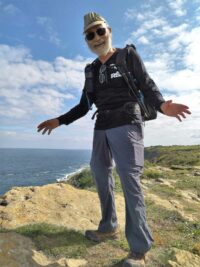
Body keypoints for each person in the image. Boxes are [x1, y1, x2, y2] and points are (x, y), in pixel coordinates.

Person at [37, 12, 191, 267]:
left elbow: (146, 83)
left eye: (100, 31)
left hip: (128, 122)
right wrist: (59, 120)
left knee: (129, 180)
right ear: (86, 40)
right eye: (90, 35)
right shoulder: (91, 69)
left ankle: (139, 250)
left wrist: (162, 105)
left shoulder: (127, 55)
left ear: (109, 31)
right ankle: (108, 227)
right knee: (99, 172)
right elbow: (84, 105)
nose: (96, 37)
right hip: (102, 126)